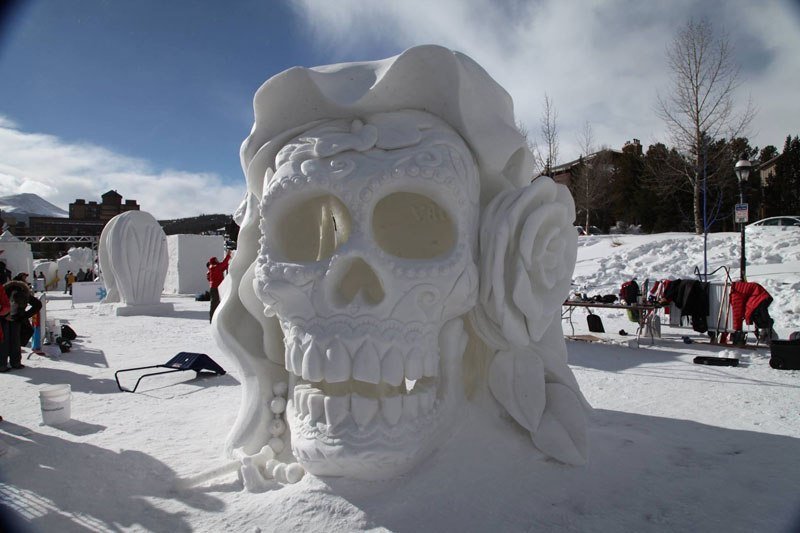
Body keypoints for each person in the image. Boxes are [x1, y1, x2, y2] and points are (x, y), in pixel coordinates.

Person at [2, 279, 41, 371]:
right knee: (5, 341)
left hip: (16, 318)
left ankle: (14, 363)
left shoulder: (23, 293)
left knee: (15, 341)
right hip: (4, 318)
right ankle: (4, 364)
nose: (13, 303)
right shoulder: (4, 292)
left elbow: (37, 304)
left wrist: (24, 316)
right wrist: (4, 315)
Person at [206, 250, 232, 323]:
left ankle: (214, 319)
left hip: (214, 288)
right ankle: (213, 320)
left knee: (215, 303)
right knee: (215, 304)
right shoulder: (215, 267)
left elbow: (222, 267)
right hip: (215, 288)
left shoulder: (212, 268)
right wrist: (228, 255)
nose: (217, 261)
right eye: (216, 260)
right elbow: (223, 264)